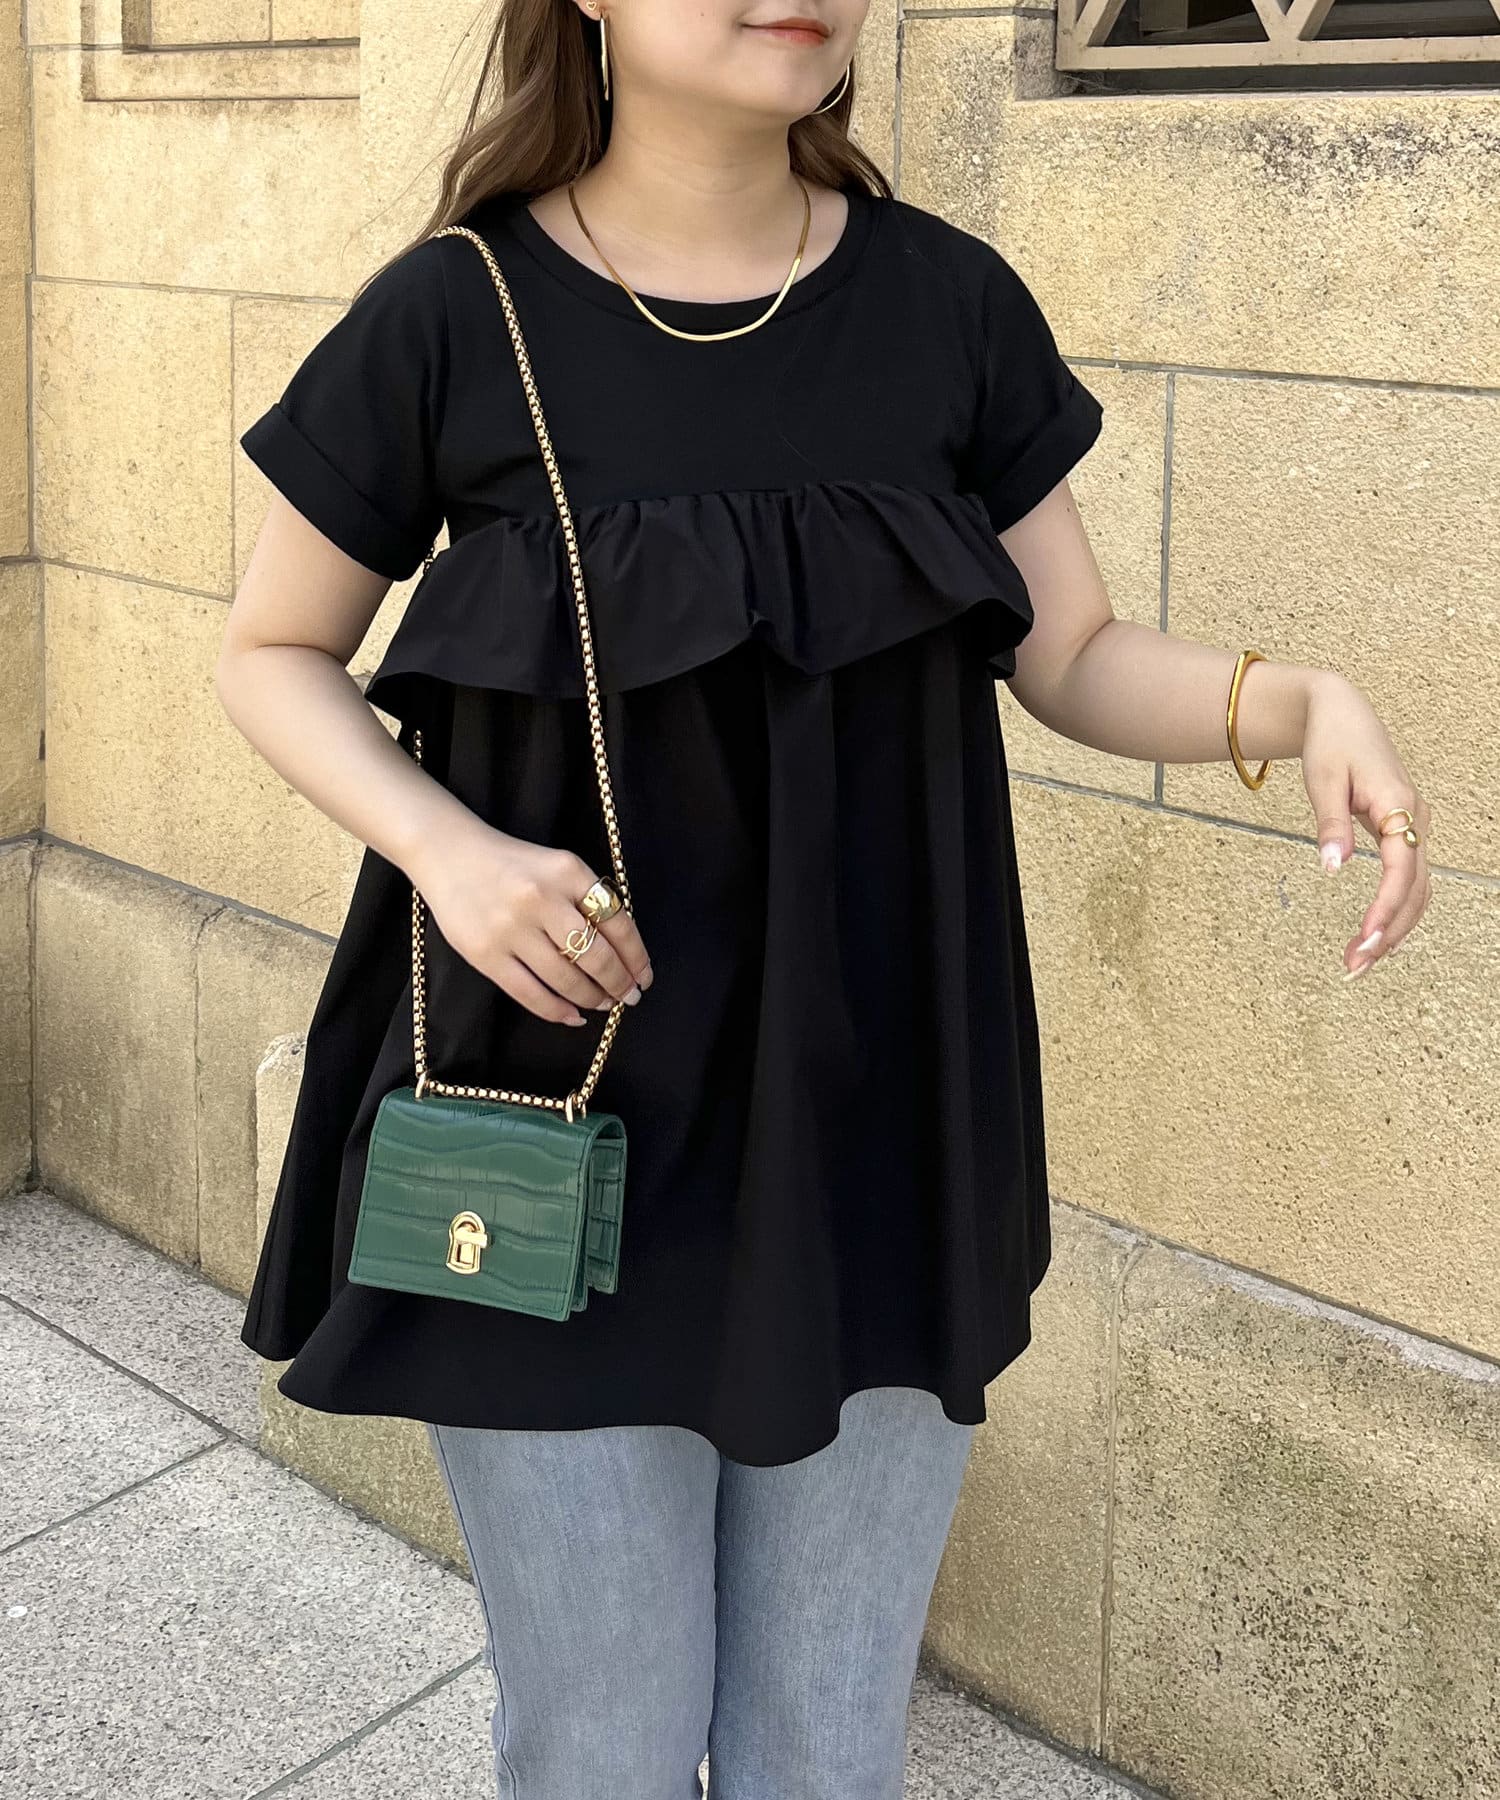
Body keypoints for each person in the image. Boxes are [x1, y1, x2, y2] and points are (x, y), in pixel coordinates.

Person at [215, 0, 1432, 1792]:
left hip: (876, 1114)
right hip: (555, 1108)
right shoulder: (456, 314)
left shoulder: (947, 305)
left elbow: (1073, 653)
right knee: (603, 1741)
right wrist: (453, 856)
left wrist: (1300, 702)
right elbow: (271, 652)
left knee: (826, 1737)